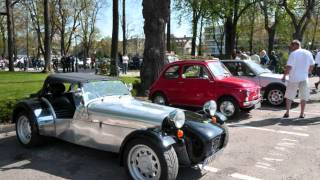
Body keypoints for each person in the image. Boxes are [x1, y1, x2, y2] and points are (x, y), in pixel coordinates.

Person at [282, 40, 315, 118]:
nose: (291, 48)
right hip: (304, 77)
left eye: (292, 46)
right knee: (304, 96)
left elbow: (289, 67)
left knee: (289, 95)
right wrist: (308, 73)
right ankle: (301, 113)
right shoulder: (308, 53)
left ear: (295, 45)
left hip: (293, 77)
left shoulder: (293, 54)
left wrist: (284, 76)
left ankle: (287, 112)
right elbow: (312, 65)